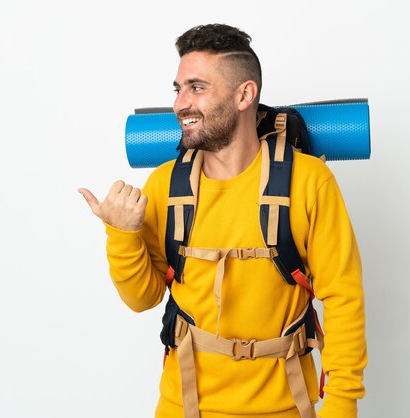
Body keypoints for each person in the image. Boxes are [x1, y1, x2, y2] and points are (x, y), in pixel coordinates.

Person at [79, 23, 367, 418]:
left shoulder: (308, 182)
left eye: (196, 88)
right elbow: (142, 298)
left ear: (244, 94)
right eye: (178, 89)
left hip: (286, 406)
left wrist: (341, 405)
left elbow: (343, 300)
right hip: (182, 407)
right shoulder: (164, 183)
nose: (181, 103)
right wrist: (122, 233)